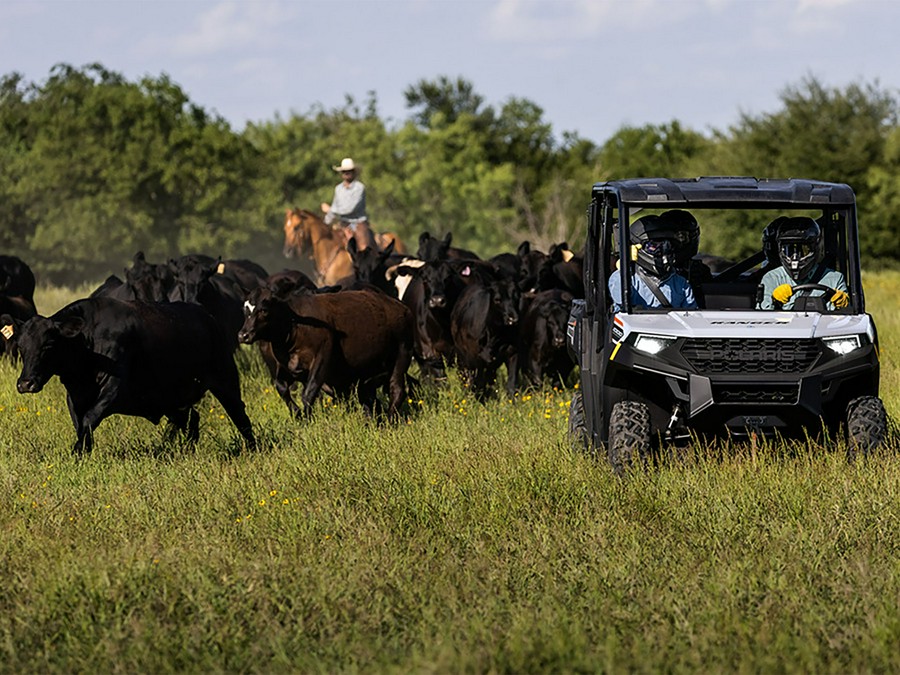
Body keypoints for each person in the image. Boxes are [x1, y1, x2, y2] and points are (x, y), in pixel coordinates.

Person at [757, 216, 849, 310]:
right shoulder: (772, 278)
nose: (795, 257)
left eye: (804, 250)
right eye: (789, 250)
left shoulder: (835, 278)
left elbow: (847, 319)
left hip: (823, 324)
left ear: (815, 249)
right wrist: (774, 301)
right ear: (780, 250)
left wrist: (844, 306)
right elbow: (762, 319)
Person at [608, 215, 698, 311]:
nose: (662, 250)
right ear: (636, 247)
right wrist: (625, 265)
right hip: (637, 325)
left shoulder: (681, 283)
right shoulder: (625, 278)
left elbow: (692, 315)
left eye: (667, 244)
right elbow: (622, 306)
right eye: (653, 246)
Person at [320, 157, 374, 250]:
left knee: (363, 249)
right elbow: (335, 206)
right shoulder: (338, 189)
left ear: (354, 172)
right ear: (341, 173)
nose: (346, 173)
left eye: (349, 171)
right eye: (344, 171)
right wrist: (325, 224)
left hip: (358, 224)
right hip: (343, 224)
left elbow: (350, 209)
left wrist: (330, 209)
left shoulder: (359, 188)